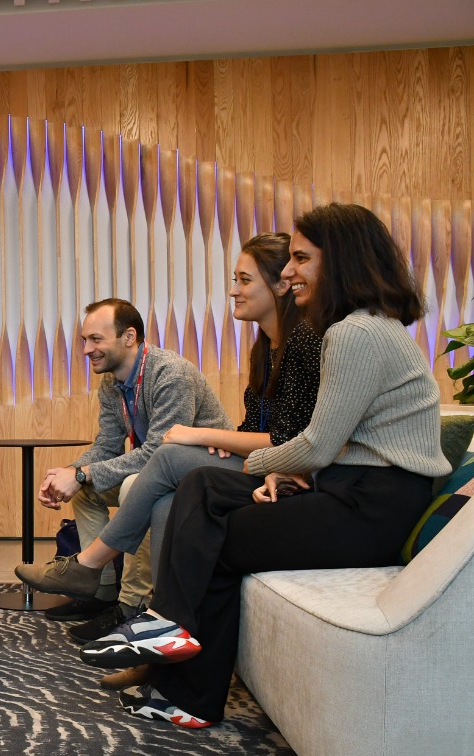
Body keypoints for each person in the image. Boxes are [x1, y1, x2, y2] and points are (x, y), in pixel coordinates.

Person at [83, 203, 450, 729]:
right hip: (353, 489)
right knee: (204, 484)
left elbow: (316, 445)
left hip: (371, 507)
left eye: (301, 258)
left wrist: (264, 462)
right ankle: (167, 631)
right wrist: (284, 470)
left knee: (216, 533)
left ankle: (186, 682)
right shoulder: (365, 328)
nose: (290, 271)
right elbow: (335, 445)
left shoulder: (353, 334)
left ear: (340, 261)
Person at [41, 235, 323, 689]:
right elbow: (109, 446)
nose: (232, 288)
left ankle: (101, 578)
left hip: (276, 473)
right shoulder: (263, 351)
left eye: (243, 279)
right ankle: (140, 636)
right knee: (152, 497)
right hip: (241, 463)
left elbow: (295, 439)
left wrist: (206, 437)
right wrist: (77, 472)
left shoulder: (179, 370)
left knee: (156, 475)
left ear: (279, 286)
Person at [16, 298, 233, 621]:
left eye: (96, 340)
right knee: (88, 487)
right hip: (159, 470)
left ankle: (131, 604)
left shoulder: (170, 374)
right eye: (84, 340)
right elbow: (107, 447)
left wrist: (79, 473)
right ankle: (101, 591)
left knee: (134, 486)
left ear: (129, 337)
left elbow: (160, 454)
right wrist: (72, 473)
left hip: (199, 475)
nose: (86, 350)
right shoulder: (111, 383)